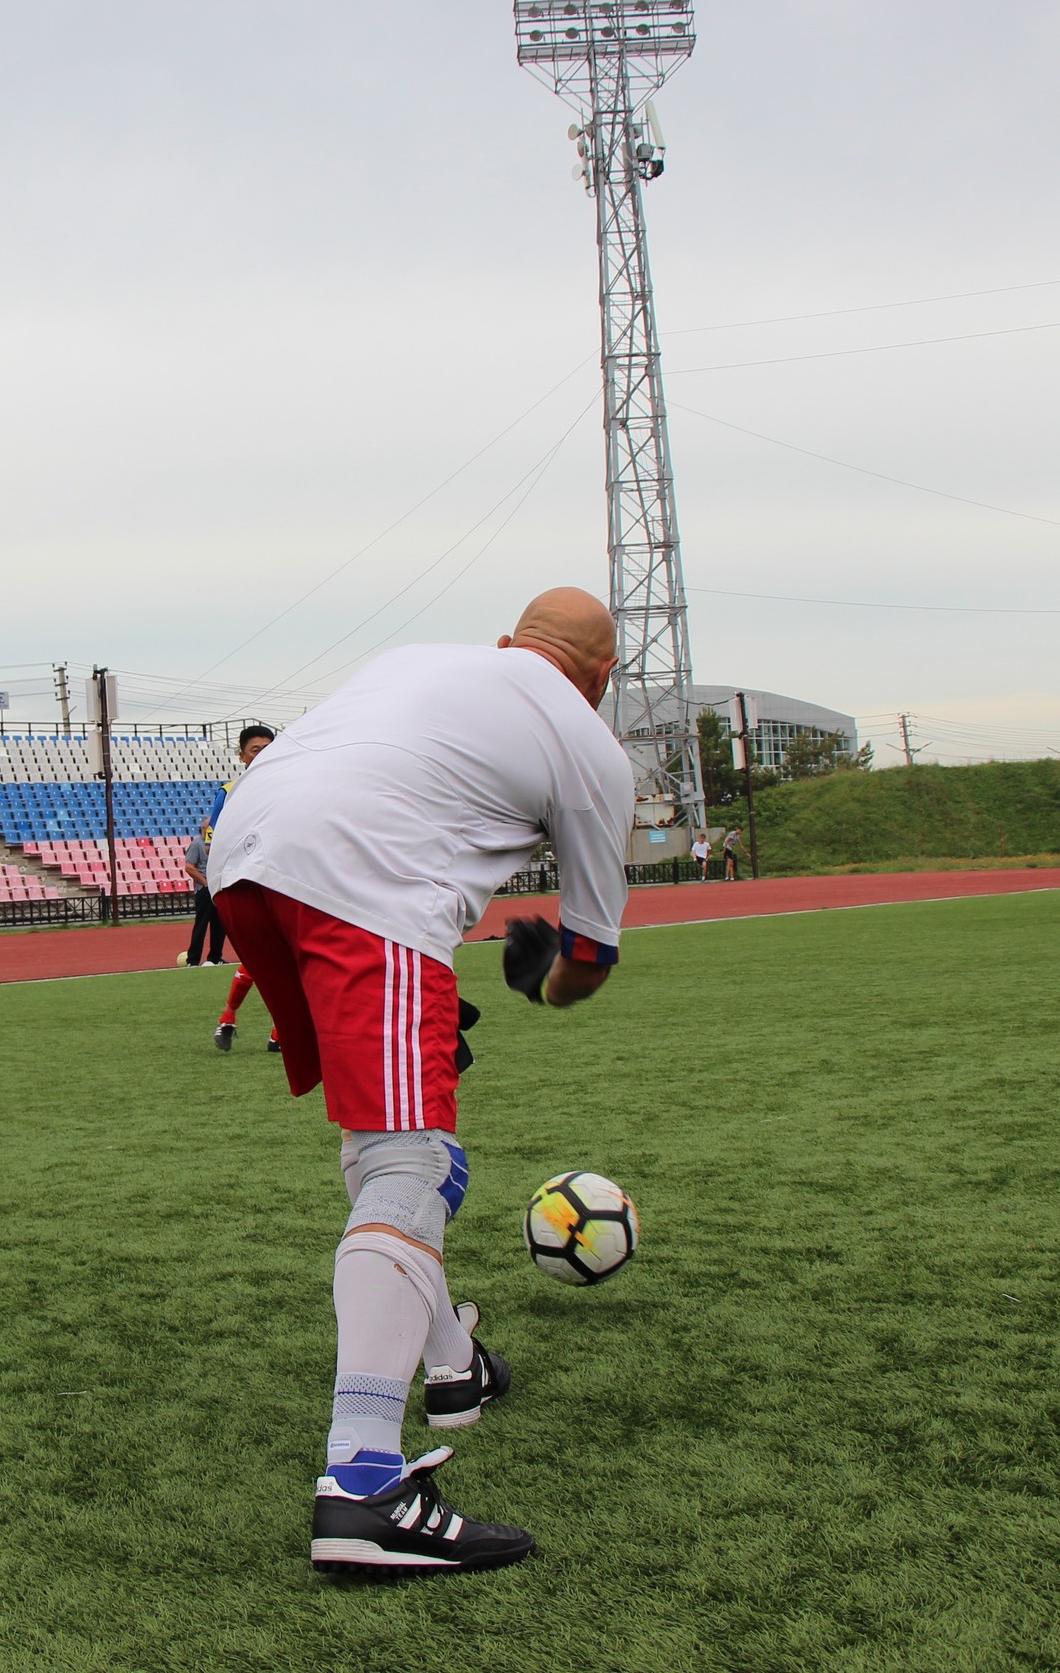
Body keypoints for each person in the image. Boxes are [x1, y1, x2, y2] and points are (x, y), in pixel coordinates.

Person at [210, 587, 632, 1576]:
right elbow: (590, 961)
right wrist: (544, 982)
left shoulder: (424, 661)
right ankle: (362, 1489)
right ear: (602, 680)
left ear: (508, 644)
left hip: (246, 852)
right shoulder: (590, 746)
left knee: (380, 1144)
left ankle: (452, 1365)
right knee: (416, 1162)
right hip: (364, 875)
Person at [208, 723, 277, 1050]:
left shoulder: (289, 788)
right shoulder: (229, 792)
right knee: (258, 957)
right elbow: (214, 843)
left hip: (284, 883)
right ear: (241, 755)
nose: (263, 756)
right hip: (248, 883)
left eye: (269, 749)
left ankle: (273, 1031)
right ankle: (230, 1017)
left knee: (293, 958)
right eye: (255, 750)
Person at [182, 820, 226, 966]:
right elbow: (189, 867)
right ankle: (193, 960)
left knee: (219, 925)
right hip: (205, 889)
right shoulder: (197, 845)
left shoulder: (218, 845)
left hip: (217, 888)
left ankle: (215, 957)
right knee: (201, 924)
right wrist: (205, 882)